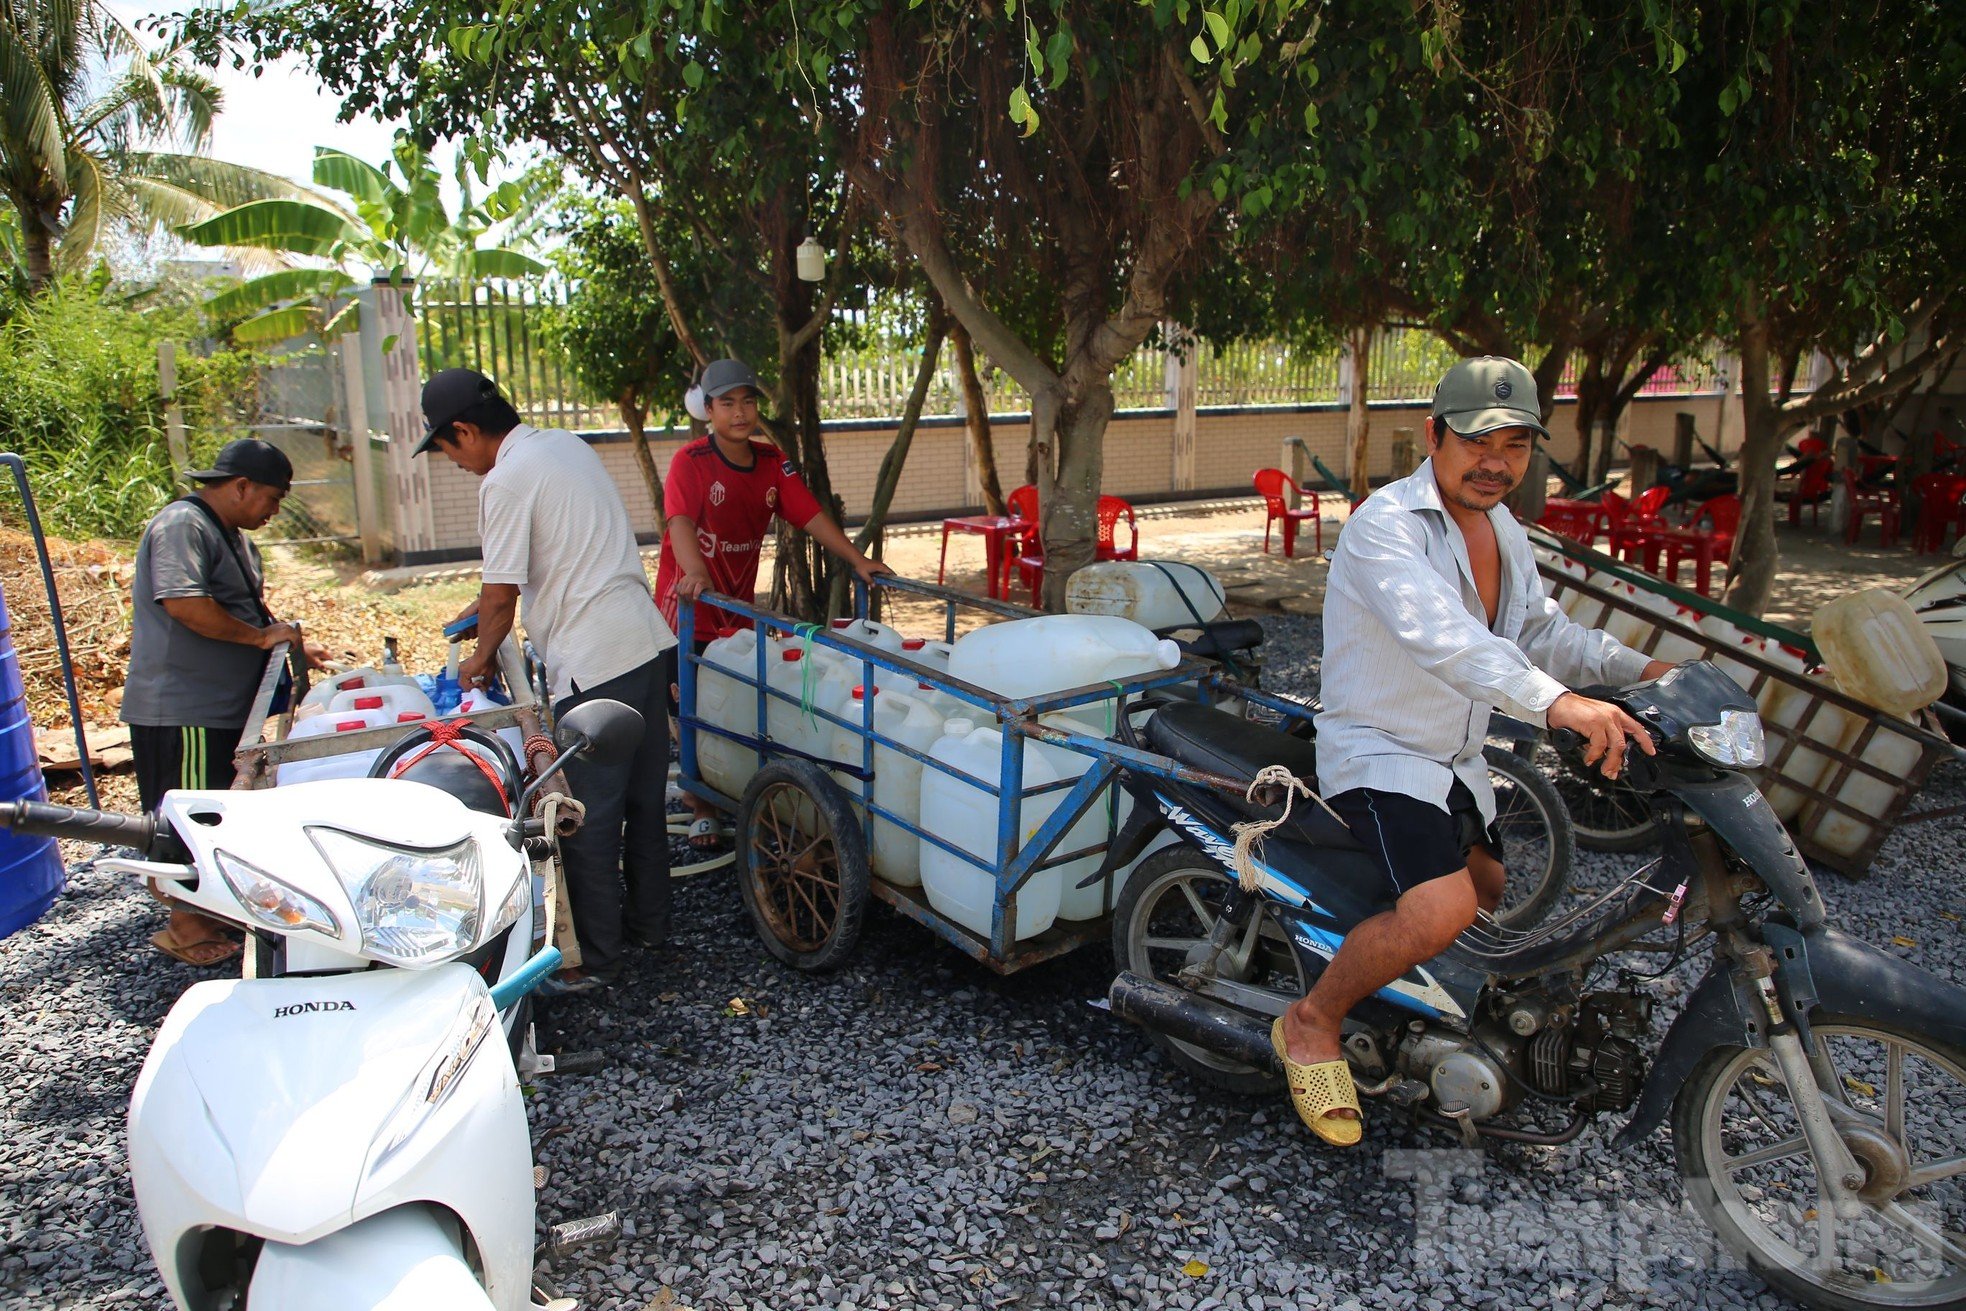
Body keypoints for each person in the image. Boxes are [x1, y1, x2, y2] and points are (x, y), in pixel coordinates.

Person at [1273, 356, 1675, 1146]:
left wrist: (1645, 672)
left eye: (1517, 445)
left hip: (1453, 758)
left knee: (1488, 886)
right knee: (1444, 906)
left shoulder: (1502, 530)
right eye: (1480, 439)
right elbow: (1446, 640)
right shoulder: (1385, 526)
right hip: (1380, 751)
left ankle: (1393, 988)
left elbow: (1540, 632)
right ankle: (1312, 1020)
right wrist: (1555, 702)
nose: (1496, 461)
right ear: (1435, 435)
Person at [418, 368, 676, 996]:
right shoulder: (564, 445)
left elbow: (500, 595)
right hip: (645, 642)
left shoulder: (504, 479)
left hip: (593, 663)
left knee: (584, 816)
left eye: (449, 449)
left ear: (466, 431)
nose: (455, 463)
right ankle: (651, 928)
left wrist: (477, 663)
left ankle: (594, 961)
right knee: (645, 804)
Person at [651, 358, 892, 848]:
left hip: (738, 606)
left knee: (732, 696)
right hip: (691, 604)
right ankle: (698, 802)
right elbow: (678, 521)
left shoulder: (770, 463)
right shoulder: (691, 462)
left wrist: (855, 559)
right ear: (708, 410)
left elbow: (808, 513)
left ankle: (735, 780)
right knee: (692, 702)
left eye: (747, 401)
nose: (739, 413)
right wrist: (694, 570)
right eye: (727, 404)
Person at [121, 439, 331, 966]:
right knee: (188, 811)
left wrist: (285, 639)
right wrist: (259, 639)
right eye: (274, 498)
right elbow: (185, 603)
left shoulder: (232, 536)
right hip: (187, 708)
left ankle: (208, 903)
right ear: (241, 487)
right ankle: (183, 926)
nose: (276, 511)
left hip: (223, 706)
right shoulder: (182, 526)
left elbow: (243, 608)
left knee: (218, 807)